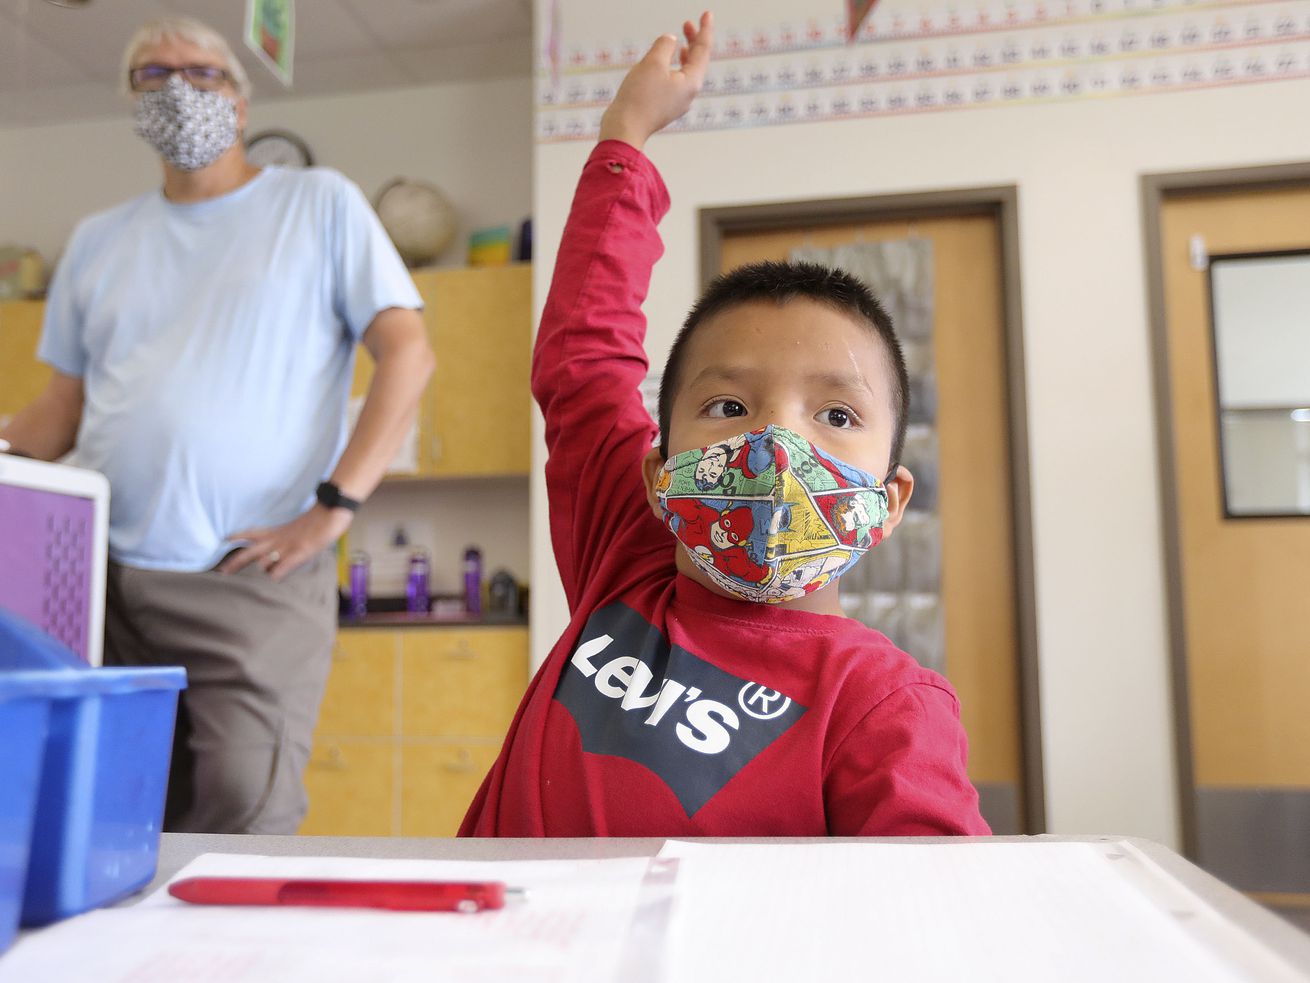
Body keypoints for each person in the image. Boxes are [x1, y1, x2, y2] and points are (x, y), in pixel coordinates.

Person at [460, 12, 989, 837]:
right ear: (654, 472)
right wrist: (624, 135)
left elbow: (928, 916)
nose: (778, 444)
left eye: (837, 413)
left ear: (889, 501)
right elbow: (582, 362)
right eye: (729, 406)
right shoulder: (624, 559)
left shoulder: (884, 703)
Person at [0, 17, 434, 834]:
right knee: (109, 802)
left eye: (201, 73)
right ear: (131, 103)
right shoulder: (97, 242)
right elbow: (61, 410)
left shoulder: (318, 204)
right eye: (152, 73)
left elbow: (408, 353)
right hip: (106, 574)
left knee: (243, 802)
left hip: (249, 574)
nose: (177, 88)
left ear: (239, 102)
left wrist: (334, 507)